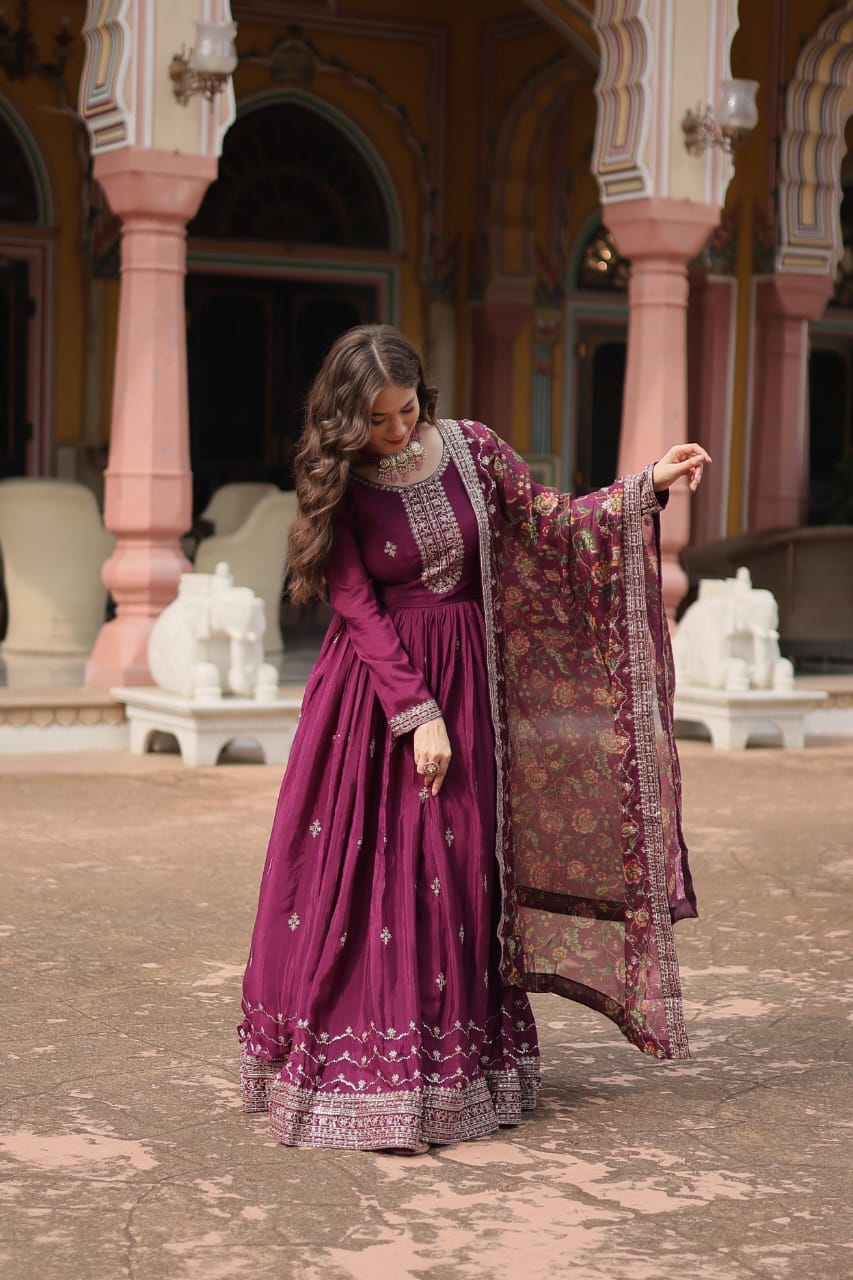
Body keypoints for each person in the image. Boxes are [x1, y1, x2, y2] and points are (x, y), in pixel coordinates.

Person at [238, 324, 709, 1155]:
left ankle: (459, 1071)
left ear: (426, 398)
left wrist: (643, 488)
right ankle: (370, 1075)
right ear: (347, 421)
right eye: (377, 420)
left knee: (456, 868)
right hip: (373, 699)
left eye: (405, 411)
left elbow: (550, 525)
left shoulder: (473, 450)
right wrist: (414, 713)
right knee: (373, 874)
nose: (394, 432)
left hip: (473, 686)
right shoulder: (342, 481)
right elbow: (352, 602)